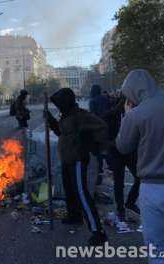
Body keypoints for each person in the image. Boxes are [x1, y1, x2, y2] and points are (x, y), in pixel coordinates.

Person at [116, 69, 164, 263]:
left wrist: (127, 116)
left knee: (157, 250)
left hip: (154, 188)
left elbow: (123, 146)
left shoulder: (136, 115)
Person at [44, 88, 108, 246]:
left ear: (66, 103)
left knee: (82, 194)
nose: (58, 107)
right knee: (70, 190)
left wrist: (90, 142)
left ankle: (97, 231)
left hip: (78, 159)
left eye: (60, 104)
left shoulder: (81, 115)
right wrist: (51, 120)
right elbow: (61, 132)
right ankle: (74, 215)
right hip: (67, 159)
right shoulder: (66, 116)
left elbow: (102, 127)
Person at [103, 93, 140, 224]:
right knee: (119, 182)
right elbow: (105, 137)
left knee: (140, 176)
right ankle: (120, 209)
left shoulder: (134, 116)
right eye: (129, 103)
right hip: (116, 152)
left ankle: (130, 202)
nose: (132, 106)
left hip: (130, 152)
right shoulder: (111, 116)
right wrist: (115, 143)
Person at [88, 85, 111, 185]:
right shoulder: (105, 99)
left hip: (97, 129)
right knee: (105, 150)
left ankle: (99, 176)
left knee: (97, 153)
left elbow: (93, 116)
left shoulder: (92, 101)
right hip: (106, 127)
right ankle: (111, 166)